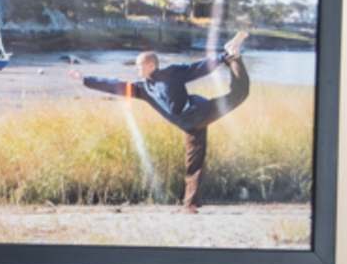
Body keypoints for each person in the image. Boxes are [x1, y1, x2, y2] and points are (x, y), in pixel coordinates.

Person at [82, 35, 254, 210]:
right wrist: (86, 80)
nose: (137, 70)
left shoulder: (172, 73)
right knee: (193, 164)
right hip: (189, 126)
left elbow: (199, 68)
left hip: (199, 113)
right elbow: (115, 85)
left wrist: (222, 57)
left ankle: (233, 55)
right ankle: (190, 204)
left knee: (239, 94)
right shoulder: (143, 89)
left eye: (139, 66)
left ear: (150, 65)